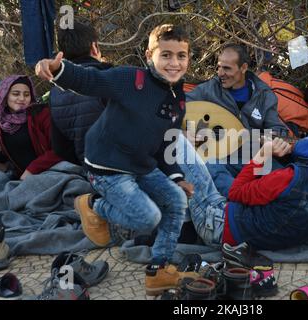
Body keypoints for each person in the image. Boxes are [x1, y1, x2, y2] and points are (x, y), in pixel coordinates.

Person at [35, 24, 197, 295]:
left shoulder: (178, 99)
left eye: (181, 55)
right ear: (149, 55)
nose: (174, 62)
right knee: (148, 218)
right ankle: (94, 205)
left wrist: (177, 177)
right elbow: (90, 80)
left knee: (177, 201)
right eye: (166, 55)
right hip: (107, 166)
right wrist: (56, 70)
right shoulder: (131, 79)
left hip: (141, 164)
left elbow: (166, 143)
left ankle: (158, 271)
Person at [175, 125, 308, 252]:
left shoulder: (291, 177)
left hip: (218, 226)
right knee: (214, 168)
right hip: (261, 240)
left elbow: (236, 193)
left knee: (185, 147)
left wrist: (264, 152)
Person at [186, 43, 288, 195]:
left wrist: (277, 142)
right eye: (219, 67)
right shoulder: (209, 90)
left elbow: (277, 130)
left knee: (284, 179)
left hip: (253, 156)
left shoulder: (264, 95)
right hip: (220, 158)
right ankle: (239, 201)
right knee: (210, 167)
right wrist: (187, 131)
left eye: (227, 68)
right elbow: (178, 110)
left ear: (243, 68)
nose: (220, 73)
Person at [50, 20, 113, 165]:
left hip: (86, 172)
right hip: (124, 168)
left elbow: (59, 148)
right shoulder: (111, 77)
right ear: (94, 47)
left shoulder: (55, 92)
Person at [0, 75, 62, 180]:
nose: (22, 98)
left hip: (53, 173)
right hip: (22, 180)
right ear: (4, 96)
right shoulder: (0, 124)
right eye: (15, 94)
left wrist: (32, 170)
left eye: (27, 94)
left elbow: (60, 149)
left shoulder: (41, 114)